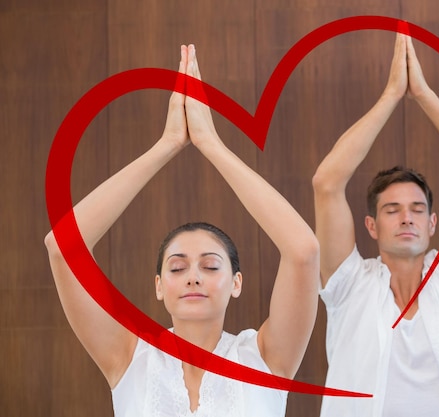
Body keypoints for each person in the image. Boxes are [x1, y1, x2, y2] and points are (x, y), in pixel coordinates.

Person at [44, 44, 320, 417]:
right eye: (177, 267)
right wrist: (167, 144)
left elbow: (303, 250)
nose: (193, 277)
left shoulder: (266, 357)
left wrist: (211, 143)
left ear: (236, 282)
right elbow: (63, 247)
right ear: (159, 285)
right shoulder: (128, 357)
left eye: (210, 266)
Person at [312, 33, 439, 417]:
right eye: (392, 209)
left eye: (417, 209)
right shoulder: (349, 285)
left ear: (433, 223)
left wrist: (422, 95)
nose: (406, 217)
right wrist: (390, 97)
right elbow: (327, 182)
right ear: (371, 225)